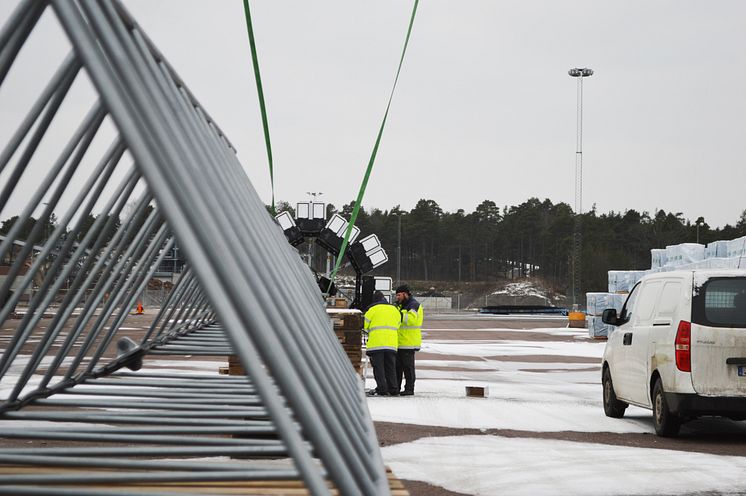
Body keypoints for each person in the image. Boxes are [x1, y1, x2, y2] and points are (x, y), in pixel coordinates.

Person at [364, 291, 400, 397]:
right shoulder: (394, 310)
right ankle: (393, 388)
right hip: (391, 343)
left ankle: (382, 389)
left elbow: (365, 325)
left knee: (379, 368)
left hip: (377, 343)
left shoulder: (372, 310)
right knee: (390, 367)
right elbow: (398, 324)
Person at [395, 284, 423, 396]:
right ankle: (396, 387)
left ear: (405, 294)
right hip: (399, 342)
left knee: (408, 368)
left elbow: (410, 320)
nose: (397, 297)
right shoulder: (401, 305)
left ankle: (409, 389)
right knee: (397, 368)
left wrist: (397, 315)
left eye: (399, 295)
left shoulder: (414, 305)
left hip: (408, 342)